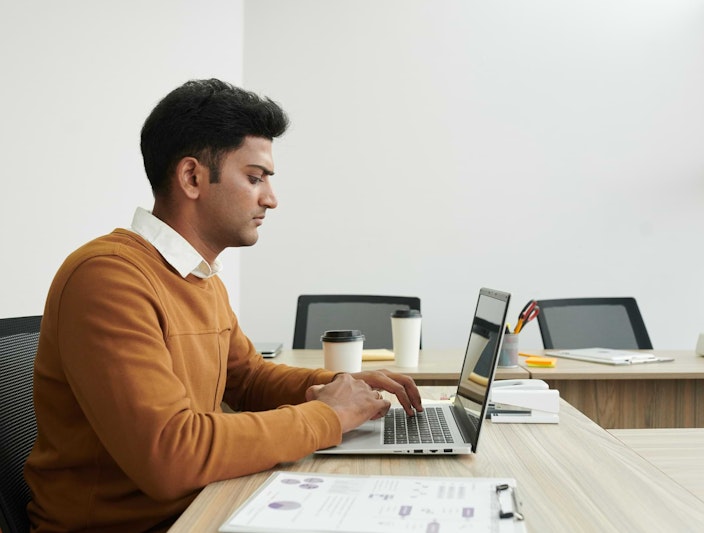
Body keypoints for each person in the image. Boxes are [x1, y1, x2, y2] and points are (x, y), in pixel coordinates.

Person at [24, 78, 422, 532]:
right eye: (255, 178)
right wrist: (328, 415)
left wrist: (341, 384)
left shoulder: (198, 276)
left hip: (202, 509)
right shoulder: (108, 278)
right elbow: (170, 454)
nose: (270, 199)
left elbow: (247, 378)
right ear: (192, 177)